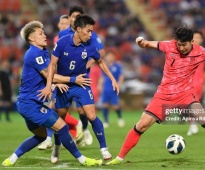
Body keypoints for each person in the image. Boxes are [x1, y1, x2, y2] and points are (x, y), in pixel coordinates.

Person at [106, 25, 205, 166]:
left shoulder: (201, 51)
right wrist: (141, 42)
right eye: (179, 44)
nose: (181, 48)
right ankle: (119, 158)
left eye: (184, 44)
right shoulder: (169, 45)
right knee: (141, 125)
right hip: (163, 96)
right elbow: (148, 44)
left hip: (185, 96)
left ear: (192, 41)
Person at [2, 21, 102, 167]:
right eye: (40, 33)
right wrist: (73, 79)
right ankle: (82, 159)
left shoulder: (41, 52)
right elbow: (49, 74)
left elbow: (48, 76)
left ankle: (11, 159)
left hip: (28, 103)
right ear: (31, 39)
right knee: (62, 126)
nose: (44, 35)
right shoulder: (35, 53)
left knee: (41, 136)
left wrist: (55, 84)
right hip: (30, 104)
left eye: (43, 32)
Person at [44, 14, 119, 162]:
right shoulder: (62, 42)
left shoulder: (90, 44)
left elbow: (100, 61)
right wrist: (50, 85)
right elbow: (52, 65)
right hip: (64, 86)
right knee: (61, 119)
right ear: (78, 29)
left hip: (82, 84)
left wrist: (112, 78)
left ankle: (104, 149)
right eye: (88, 31)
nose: (90, 34)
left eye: (91, 31)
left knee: (91, 115)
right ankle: (57, 146)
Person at [58, 6, 105, 146]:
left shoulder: (90, 34)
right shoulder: (62, 35)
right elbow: (58, 55)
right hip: (65, 78)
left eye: (78, 16)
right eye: (73, 16)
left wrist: (87, 63)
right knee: (58, 109)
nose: (75, 18)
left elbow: (100, 54)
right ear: (70, 18)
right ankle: (54, 139)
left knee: (81, 109)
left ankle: (84, 129)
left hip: (82, 78)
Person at [38, 14, 84, 150]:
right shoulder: (58, 40)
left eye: (66, 24)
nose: (64, 26)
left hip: (58, 79)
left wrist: (55, 81)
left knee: (51, 109)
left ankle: (51, 137)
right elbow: (53, 63)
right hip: (55, 79)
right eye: (62, 23)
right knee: (54, 110)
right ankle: (73, 131)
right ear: (58, 25)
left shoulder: (71, 39)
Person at [186, 30, 205, 136]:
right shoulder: (185, 49)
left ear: (201, 40)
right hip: (186, 82)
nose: (196, 39)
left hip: (198, 82)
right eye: (194, 37)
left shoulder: (203, 51)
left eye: (198, 37)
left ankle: (194, 125)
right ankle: (193, 125)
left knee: (193, 104)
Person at [99, 50, 125, 128]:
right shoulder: (105, 65)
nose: (110, 57)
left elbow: (121, 76)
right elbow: (102, 77)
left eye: (111, 56)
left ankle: (120, 118)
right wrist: (100, 85)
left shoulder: (117, 66)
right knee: (105, 105)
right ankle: (106, 121)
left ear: (114, 57)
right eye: (108, 56)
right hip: (106, 88)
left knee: (115, 106)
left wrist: (119, 84)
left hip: (113, 88)